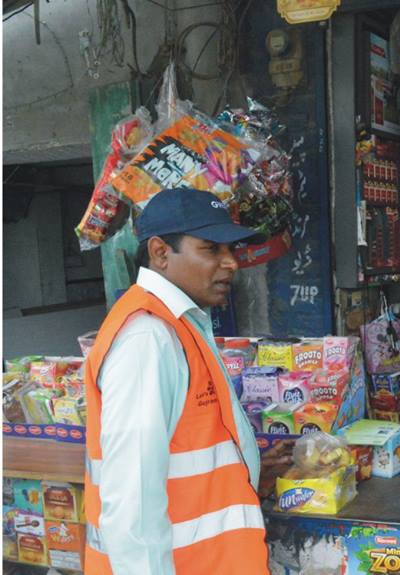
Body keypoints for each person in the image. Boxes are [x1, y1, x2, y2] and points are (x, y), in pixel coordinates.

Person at [82, 188, 293, 574]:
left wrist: (249, 469)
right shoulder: (148, 338)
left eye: (232, 250)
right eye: (211, 249)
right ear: (162, 253)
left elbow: (188, 453)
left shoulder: (179, 325)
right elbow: (133, 501)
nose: (231, 263)